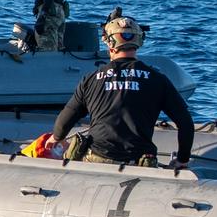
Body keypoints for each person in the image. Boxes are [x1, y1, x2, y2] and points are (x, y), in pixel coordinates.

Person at [49, 13, 194, 168]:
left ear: (109, 43)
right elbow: (186, 124)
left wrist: (56, 138)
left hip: (96, 159)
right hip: (141, 163)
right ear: (139, 41)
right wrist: (182, 160)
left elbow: (65, 121)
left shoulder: (90, 79)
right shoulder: (158, 80)